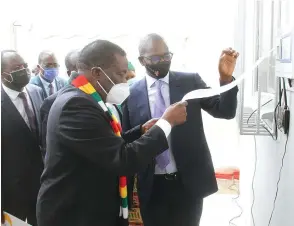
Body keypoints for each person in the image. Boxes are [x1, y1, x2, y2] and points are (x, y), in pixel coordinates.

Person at [36, 39, 188, 226]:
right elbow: (123, 159)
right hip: (74, 214)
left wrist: (140, 132)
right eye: (121, 74)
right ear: (97, 73)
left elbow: (103, 145)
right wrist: (166, 123)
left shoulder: (86, 98)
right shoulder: (75, 105)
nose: (126, 81)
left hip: (90, 209)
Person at [122, 33, 240, 226]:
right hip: (151, 185)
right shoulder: (130, 92)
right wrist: (142, 130)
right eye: (154, 58)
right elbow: (126, 139)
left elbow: (225, 111)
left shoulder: (189, 82)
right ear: (141, 61)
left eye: (166, 55)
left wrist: (225, 80)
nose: (162, 61)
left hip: (188, 183)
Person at [1, 50, 44, 226]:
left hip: (41, 179)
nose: (24, 70)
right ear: (4, 75)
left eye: (25, 65)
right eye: (17, 68)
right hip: (11, 185)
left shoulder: (36, 92)